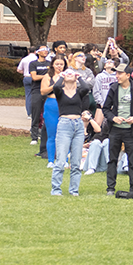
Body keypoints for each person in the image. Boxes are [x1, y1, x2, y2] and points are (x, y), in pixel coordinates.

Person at [102, 61, 133, 197]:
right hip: (115, 130)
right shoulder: (114, 88)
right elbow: (105, 109)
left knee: (132, 159)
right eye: (116, 73)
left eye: (120, 73)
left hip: (130, 130)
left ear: (128, 75)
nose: (117, 76)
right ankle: (110, 187)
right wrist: (113, 118)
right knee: (112, 159)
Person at [50, 69, 91, 197]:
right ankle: (56, 189)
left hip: (78, 125)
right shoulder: (60, 92)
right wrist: (62, 76)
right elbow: (56, 86)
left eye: (71, 73)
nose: (69, 74)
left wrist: (78, 78)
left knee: (76, 160)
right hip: (64, 125)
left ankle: (74, 190)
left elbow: (86, 87)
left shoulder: (79, 92)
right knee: (61, 159)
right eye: (66, 73)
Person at [38, 54, 68, 165]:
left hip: (64, 104)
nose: (59, 66)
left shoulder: (68, 75)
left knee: (65, 133)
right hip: (51, 104)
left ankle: (64, 159)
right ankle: (51, 160)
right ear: (53, 65)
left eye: (61, 64)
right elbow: (43, 91)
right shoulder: (48, 76)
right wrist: (55, 85)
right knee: (52, 134)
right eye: (57, 64)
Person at [27, 45, 50, 148]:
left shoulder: (50, 64)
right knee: (36, 114)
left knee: (47, 115)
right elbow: (34, 77)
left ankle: (46, 135)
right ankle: (34, 137)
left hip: (48, 91)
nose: (45, 51)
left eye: (47, 49)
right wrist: (45, 76)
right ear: (38, 52)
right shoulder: (33, 64)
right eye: (43, 50)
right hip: (36, 91)